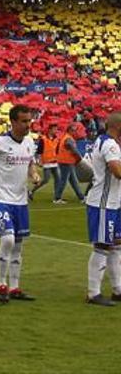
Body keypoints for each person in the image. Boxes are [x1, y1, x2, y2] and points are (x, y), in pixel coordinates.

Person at [0, 105, 40, 304]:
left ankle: (14, 287)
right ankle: (2, 283)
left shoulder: (30, 142)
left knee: (18, 245)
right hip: (2, 199)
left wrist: (34, 174)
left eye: (29, 121)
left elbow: (30, 162)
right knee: (8, 240)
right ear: (13, 122)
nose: (27, 125)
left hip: (21, 201)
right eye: (23, 121)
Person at [83, 112, 121, 306]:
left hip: (113, 202)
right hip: (103, 203)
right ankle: (93, 293)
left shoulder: (103, 141)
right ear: (118, 127)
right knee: (102, 246)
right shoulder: (110, 145)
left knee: (116, 244)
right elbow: (117, 171)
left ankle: (117, 289)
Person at [29, 124, 60, 201]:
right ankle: (31, 191)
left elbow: (57, 150)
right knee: (46, 180)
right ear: (50, 130)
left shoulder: (56, 139)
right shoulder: (43, 139)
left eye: (56, 129)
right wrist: (39, 161)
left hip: (55, 161)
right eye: (54, 129)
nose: (56, 131)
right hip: (47, 162)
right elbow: (39, 151)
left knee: (58, 178)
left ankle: (57, 196)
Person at [55, 123, 85, 203]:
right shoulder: (69, 139)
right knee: (64, 181)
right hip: (66, 161)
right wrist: (79, 157)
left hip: (66, 161)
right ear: (69, 130)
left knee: (73, 181)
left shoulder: (66, 137)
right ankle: (57, 198)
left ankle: (81, 197)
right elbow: (73, 149)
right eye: (73, 130)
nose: (75, 132)